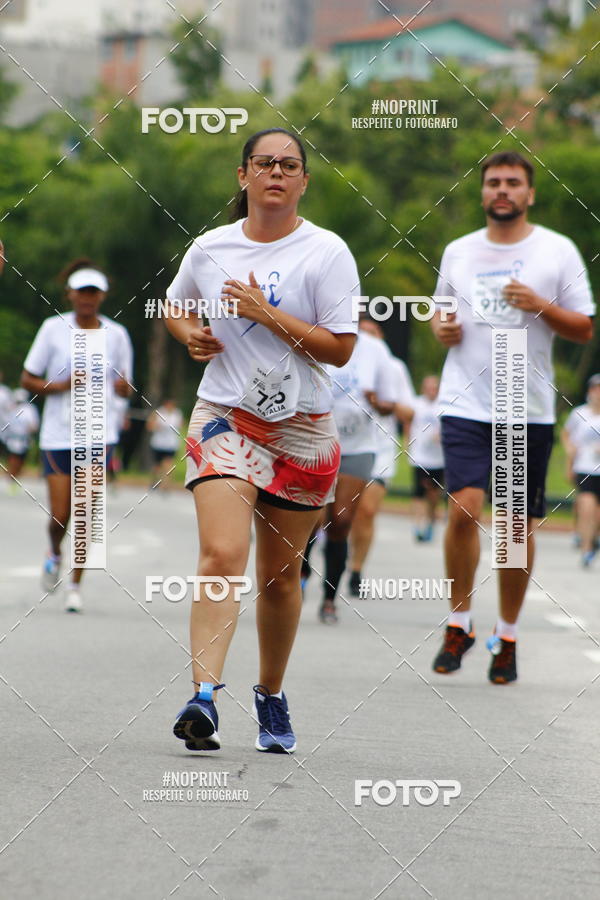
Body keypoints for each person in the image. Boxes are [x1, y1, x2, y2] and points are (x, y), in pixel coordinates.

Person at [163, 128, 358, 753]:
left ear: (304, 181)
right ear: (242, 176)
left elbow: (340, 348)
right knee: (221, 556)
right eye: (264, 163)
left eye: (289, 165)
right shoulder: (209, 247)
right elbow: (173, 306)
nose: (276, 172)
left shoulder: (326, 252)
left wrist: (262, 311)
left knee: (280, 578)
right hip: (225, 416)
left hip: (302, 430)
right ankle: (203, 697)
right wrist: (189, 334)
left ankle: (269, 693)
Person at [430, 150, 595, 685]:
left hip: (525, 409)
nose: (502, 190)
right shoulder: (459, 250)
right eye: (494, 182)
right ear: (483, 193)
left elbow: (584, 328)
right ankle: (459, 622)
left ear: (529, 194)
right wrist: (443, 330)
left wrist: (539, 303)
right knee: (463, 510)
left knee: (514, 534)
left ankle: (507, 634)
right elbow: (440, 312)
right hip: (465, 402)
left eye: (513, 183)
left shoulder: (557, 250)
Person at [21, 260, 134, 613]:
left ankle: (75, 586)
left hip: (98, 434)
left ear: (102, 296)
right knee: (60, 514)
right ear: (69, 294)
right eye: (81, 292)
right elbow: (28, 379)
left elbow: (129, 387)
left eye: (93, 292)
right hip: (58, 434)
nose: (87, 298)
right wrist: (62, 385)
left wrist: (122, 387)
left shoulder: (117, 335)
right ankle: (55, 551)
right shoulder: (52, 329)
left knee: (85, 511)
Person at [310, 326, 397, 623]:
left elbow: (391, 405)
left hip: (359, 447)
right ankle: (301, 567)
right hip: (315, 441)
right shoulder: (314, 334)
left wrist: (376, 402)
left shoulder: (375, 350)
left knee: (341, 522)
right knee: (310, 519)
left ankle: (329, 598)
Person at [347, 317, 415, 595]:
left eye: (372, 334)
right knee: (332, 516)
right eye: (362, 334)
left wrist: (381, 402)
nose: (367, 340)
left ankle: (356, 569)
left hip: (380, 448)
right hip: (345, 445)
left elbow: (409, 413)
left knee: (366, 511)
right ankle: (322, 558)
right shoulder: (343, 360)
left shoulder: (394, 367)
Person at [398, 375, 445, 543]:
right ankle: (417, 526)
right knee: (418, 493)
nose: (432, 391)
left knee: (434, 493)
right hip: (419, 456)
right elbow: (407, 422)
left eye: (435, 388)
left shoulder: (444, 404)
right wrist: (407, 442)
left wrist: (442, 435)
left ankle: (431, 522)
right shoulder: (416, 404)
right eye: (429, 388)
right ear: (423, 389)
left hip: (438, 458)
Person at [562, 374, 600, 567]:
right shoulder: (580, 413)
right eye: (596, 389)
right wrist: (569, 459)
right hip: (585, 468)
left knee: (597, 513)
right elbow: (567, 435)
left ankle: (592, 538)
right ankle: (587, 548)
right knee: (587, 506)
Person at [4, 388, 39, 490]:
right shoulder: (12, 409)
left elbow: (33, 426)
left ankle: (14, 478)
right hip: (12, 439)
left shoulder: (29, 409)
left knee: (19, 460)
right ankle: (12, 478)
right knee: (13, 458)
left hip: (23, 440)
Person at [147, 398, 184, 491]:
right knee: (157, 466)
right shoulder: (159, 412)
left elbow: (181, 425)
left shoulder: (177, 414)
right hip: (158, 443)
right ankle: (154, 482)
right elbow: (150, 426)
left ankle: (165, 485)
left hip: (171, 444)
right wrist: (156, 426)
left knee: (168, 464)